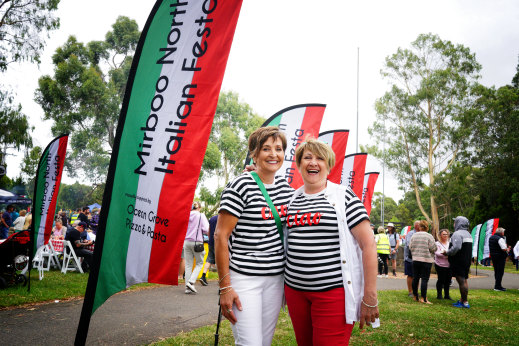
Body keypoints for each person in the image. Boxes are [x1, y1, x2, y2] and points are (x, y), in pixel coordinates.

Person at [283, 138, 379, 345]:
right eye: (307, 157)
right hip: (295, 292)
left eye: (320, 158)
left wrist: (370, 296)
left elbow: (368, 245)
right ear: (299, 164)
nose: (313, 162)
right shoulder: (291, 199)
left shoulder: (344, 197)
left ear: (328, 165)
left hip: (333, 294)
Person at [215, 126, 294, 345]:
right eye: (266, 149)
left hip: (275, 280)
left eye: (278, 149)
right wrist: (225, 287)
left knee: (264, 342)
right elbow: (221, 237)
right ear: (254, 153)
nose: (273, 154)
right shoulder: (240, 185)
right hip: (244, 280)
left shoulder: (287, 190)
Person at [445, 216, 473, 308]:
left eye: (455, 222)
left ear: (459, 223)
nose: (454, 224)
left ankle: (464, 302)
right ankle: (463, 300)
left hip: (459, 261)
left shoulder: (457, 234)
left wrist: (447, 252)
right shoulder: (468, 234)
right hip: (466, 260)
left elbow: (457, 247)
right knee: (464, 280)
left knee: (461, 280)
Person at [183, 201, 209, 294]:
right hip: (197, 242)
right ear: (199, 208)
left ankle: (187, 288)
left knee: (188, 265)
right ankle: (191, 282)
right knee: (199, 263)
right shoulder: (201, 215)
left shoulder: (187, 215)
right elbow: (206, 229)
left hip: (186, 242)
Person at [409, 220, 436, 304]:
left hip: (416, 259)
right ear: (427, 227)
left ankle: (415, 296)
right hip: (426, 260)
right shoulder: (429, 236)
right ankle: (423, 298)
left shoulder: (414, 235)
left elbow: (410, 247)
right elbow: (433, 248)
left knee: (415, 278)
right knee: (424, 279)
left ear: (419, 227)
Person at [200, 214, 217, 286]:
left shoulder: (212, 218)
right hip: (219, 242)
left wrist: (210, 239)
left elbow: (209, 231)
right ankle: (221, 280)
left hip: (211, 242)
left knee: (209, 259)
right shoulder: (223, 218)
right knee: (220, 261)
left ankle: (203, 276)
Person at [489, 227, 509, 291]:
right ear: (501, 232)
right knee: (500, 271)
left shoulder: (491, 238)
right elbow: (503, 248)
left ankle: (497, 285)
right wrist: (507, 249)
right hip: (500, 256)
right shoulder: (500, 239)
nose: (503, 233)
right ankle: (497, 286)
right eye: (503, 232)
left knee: (496, 271)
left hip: (493, 256)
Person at [434, 229, 452, 299]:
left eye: (446, 234)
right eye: (444, 234)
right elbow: (437, 253)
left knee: (448, 280)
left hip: (449, 265)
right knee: (441, 280)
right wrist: (448, 254)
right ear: (440, 235)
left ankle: (447, 295)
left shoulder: (450, 243)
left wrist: (445, 253)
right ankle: (439, 295)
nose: (445, 236)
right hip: (440, 265)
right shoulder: (437, 244)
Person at [404, 221, 419, 297]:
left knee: (417, 275)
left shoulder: (422, 234)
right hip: (409, 258)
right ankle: (410, 291)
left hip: (418, 258)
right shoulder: (411, 233)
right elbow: (408, 244)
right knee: (410, 275)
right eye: (420, 225)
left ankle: (416, 291)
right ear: (416, 226)